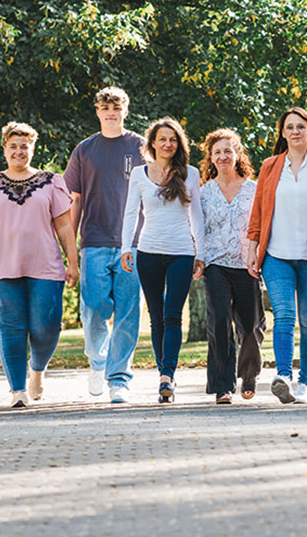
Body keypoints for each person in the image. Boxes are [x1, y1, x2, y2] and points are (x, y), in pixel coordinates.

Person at [0, 122, 79, 408]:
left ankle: (37, 369)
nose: (19, 151)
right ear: (4, 149)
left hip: (45, 265)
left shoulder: (51, 182)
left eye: (24, 146)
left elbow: (64, 226)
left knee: (46, 327)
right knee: (11, 328)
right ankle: (18, 390)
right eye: (13, 146)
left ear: (32, 149)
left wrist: (72, 262)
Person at [246, 109, 307, 405]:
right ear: (283, 133)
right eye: (290, 127)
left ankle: (305, 382)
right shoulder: (270, 166)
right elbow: (258, 210)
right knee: (285, 316)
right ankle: (284, 377)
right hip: (277, 256)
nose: (295, 131)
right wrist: (252, 248)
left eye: (301, 126)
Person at [64, 87, 147, 404]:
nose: (111, 112)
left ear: (125, 110)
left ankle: (119, 379)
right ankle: (98, 362)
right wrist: (71, 251)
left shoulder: (141, 147)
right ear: (97, 111)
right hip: (94, 241)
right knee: (94, 308)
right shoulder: (84, 150)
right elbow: (74, 201)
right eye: (105, 107)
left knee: (128, 313)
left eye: (117, 107)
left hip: (133, 243)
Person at [120, 118, 205, 404]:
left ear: (179, 144)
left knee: (172, 315)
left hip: (181, 252)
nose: (168, 144)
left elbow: (197, 216)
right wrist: (126, 247)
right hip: (148, 252)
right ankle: (164, 375)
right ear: (152, 144)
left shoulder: (190, 174)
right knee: (156, 317)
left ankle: (167, 375)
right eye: (162, 139)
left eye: (173, 139)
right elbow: (131, 212)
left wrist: (201, 252)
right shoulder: (139, 174)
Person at [194, 129, 265, 404]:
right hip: (215, 264)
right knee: (219, 322)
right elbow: (197, 230)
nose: (223, 156)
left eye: (227, 151)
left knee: (250, 326)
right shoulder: (203, 193)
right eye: (217, 152)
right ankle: (222, 385)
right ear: (210, 158)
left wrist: (259, 255)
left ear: (237, 154)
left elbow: (263, 226)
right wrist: (199, 258)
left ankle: (249, 374)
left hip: (247, 265)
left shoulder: (254, 189)